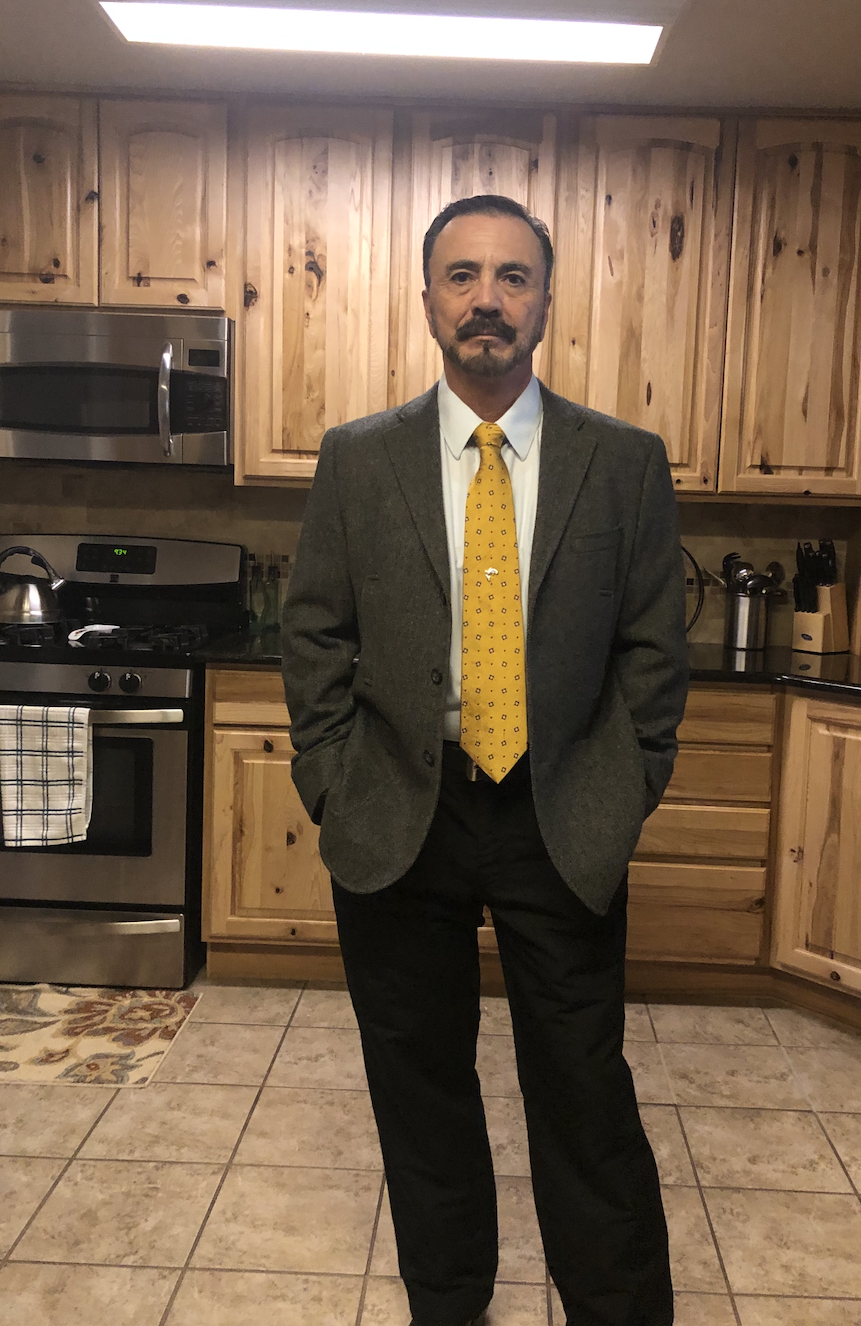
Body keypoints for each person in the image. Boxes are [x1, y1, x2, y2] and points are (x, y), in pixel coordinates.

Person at [281, 193, 689, 1326]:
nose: (487, 301)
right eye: (462, 276)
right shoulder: (359, 461)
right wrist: (331, 780)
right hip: (398, 809)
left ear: (546, 303)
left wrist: (626, 787)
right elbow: (313, 634)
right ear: (427, 301)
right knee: (421, 1091)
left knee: (583, 1089)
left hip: (562, 811)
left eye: (513, 277)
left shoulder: (623, 463)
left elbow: (654, 651)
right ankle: (450, 1305)